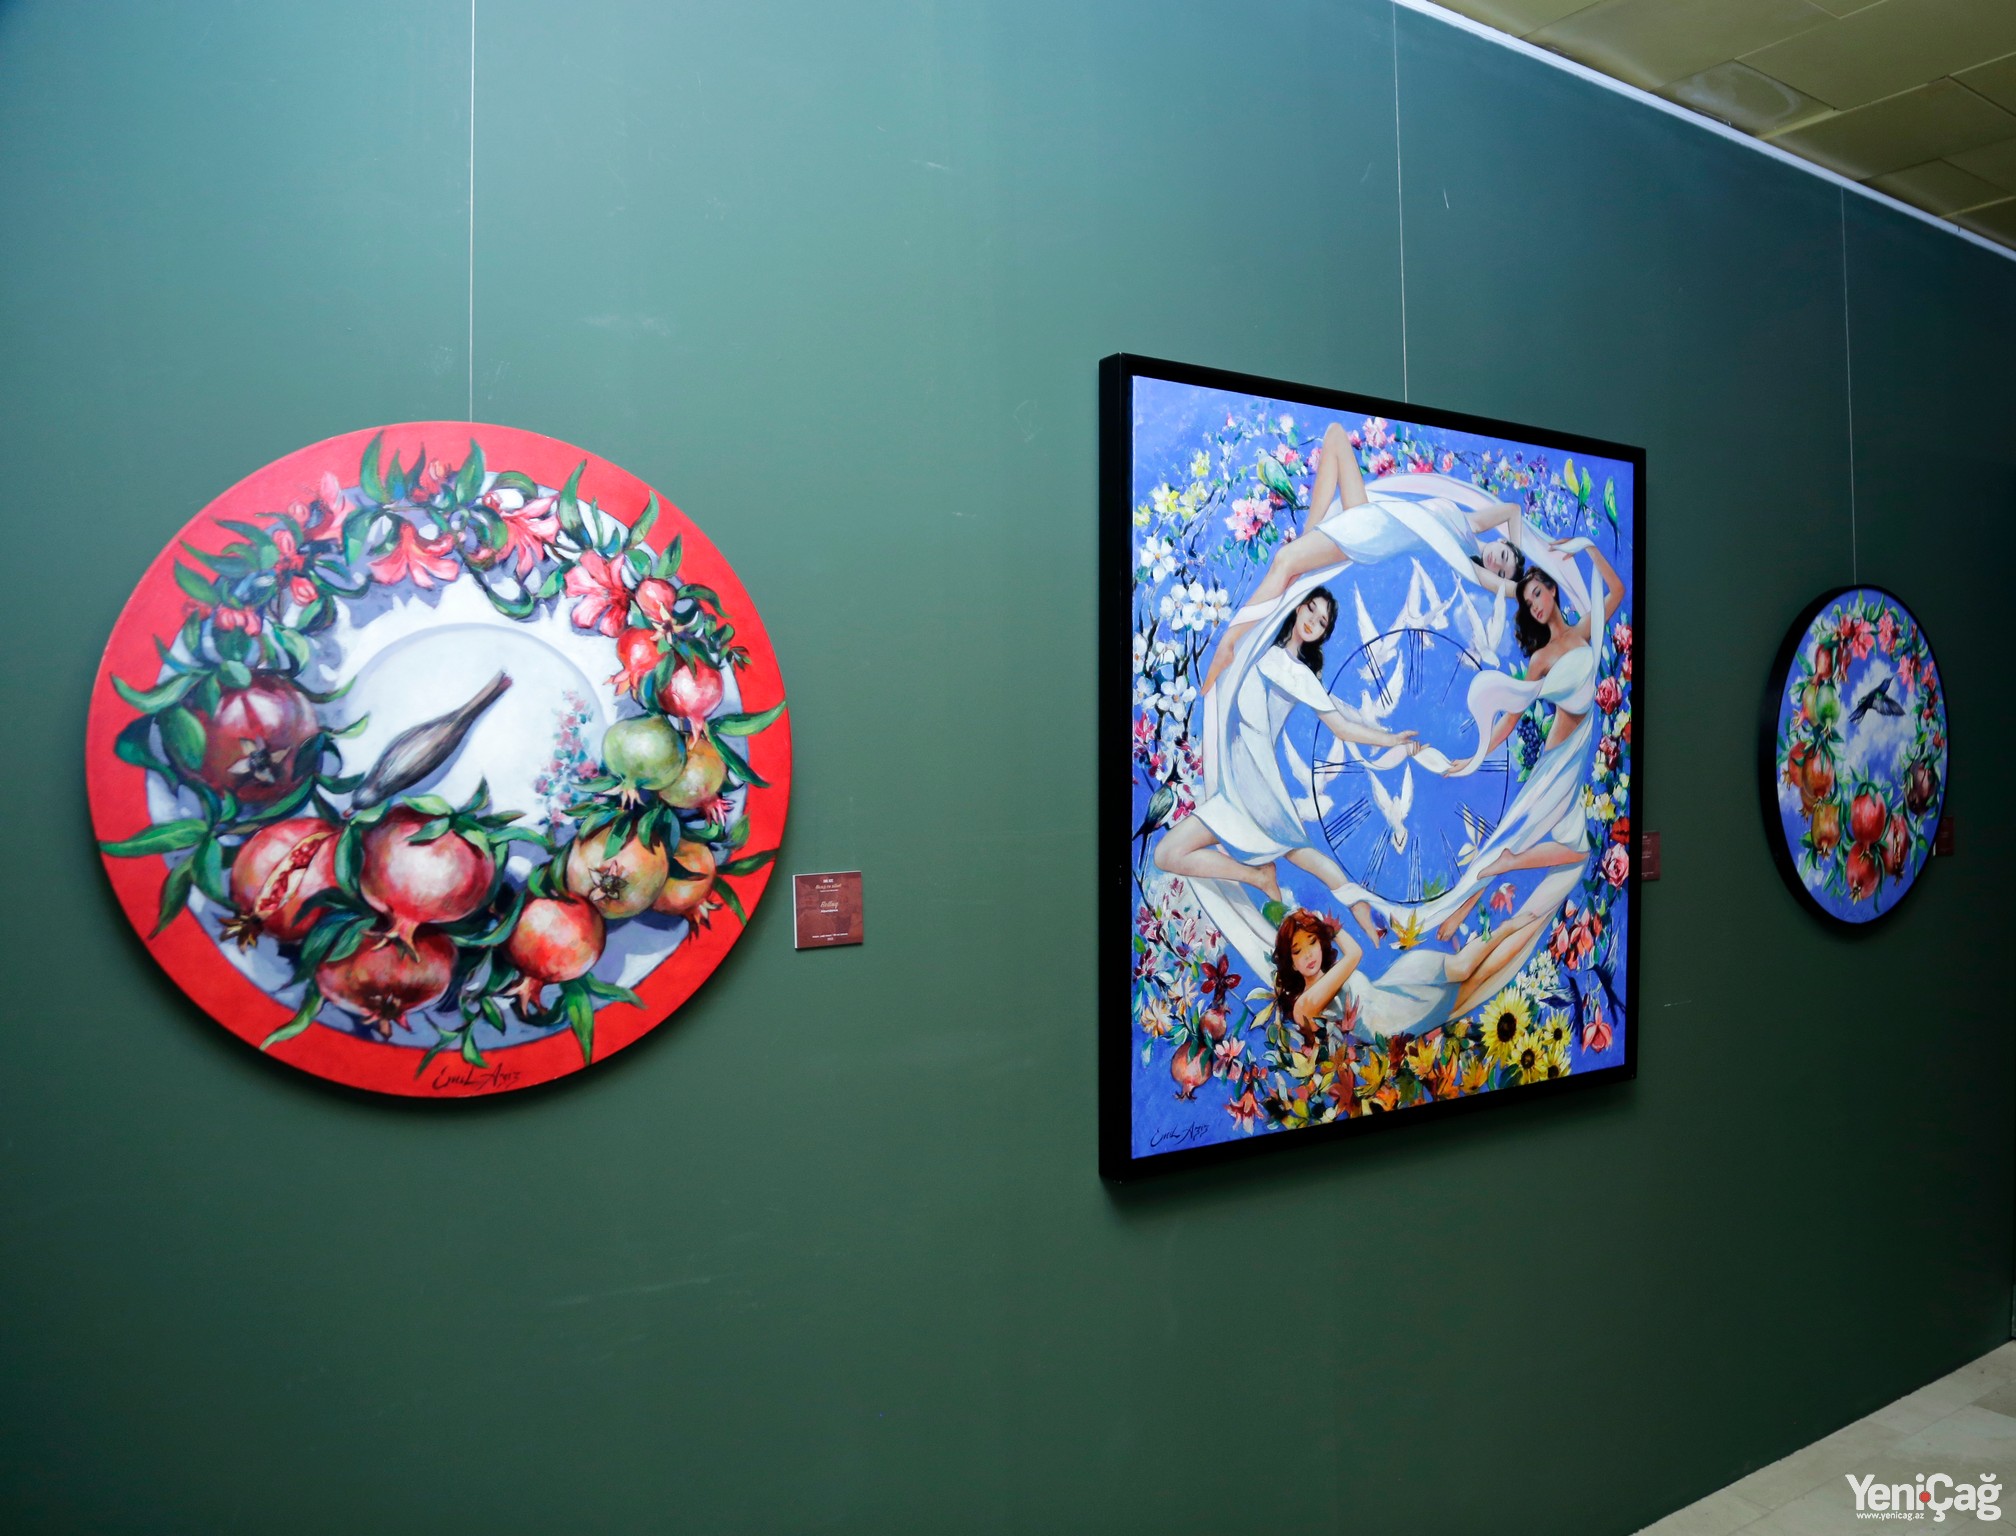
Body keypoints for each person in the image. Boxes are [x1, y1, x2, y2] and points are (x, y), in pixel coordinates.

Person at [1201, 422, 1529, 696]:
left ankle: (1230, 642)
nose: (1496, 563)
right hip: (1375, 515)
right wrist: (1521, 549)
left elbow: (1516, 590)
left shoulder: (1465, 560)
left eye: (1500, 571)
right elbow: (1513, 510)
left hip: (1375, 534)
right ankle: (1306, 539)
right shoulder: (1472, 525)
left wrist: (1522, 581)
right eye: (1503, 555)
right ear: (1501, 541)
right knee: (1335, 436)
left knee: (1285, 561)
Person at [1155, 587, 1418, 912]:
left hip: (1258, 785)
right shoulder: (1258, 645)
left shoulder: (1300, 675)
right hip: (1234, 785)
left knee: (1310, 860)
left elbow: (1342, 728)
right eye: (1310, 609)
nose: (1312, 621)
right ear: (1297, 607)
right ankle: (1257, 876)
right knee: (1166, 854)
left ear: (1323, 635)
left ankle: (1371, 923)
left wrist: (1393, 741)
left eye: (1322, 622)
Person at [1426, 535, 1624, 942]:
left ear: (1552, 590)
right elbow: (1510, 719)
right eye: (1528, 603)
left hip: (1575, 759)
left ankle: (1509, 863)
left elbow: (1617, 590)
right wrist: (1474, 758)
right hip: (1556, 763)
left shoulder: (1584, 631)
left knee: (1576, 850)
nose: (1534, 605)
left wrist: (1587, 546)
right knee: (1513, 834)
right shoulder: (1540, 660)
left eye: (1536, 594)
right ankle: (1458, 912)